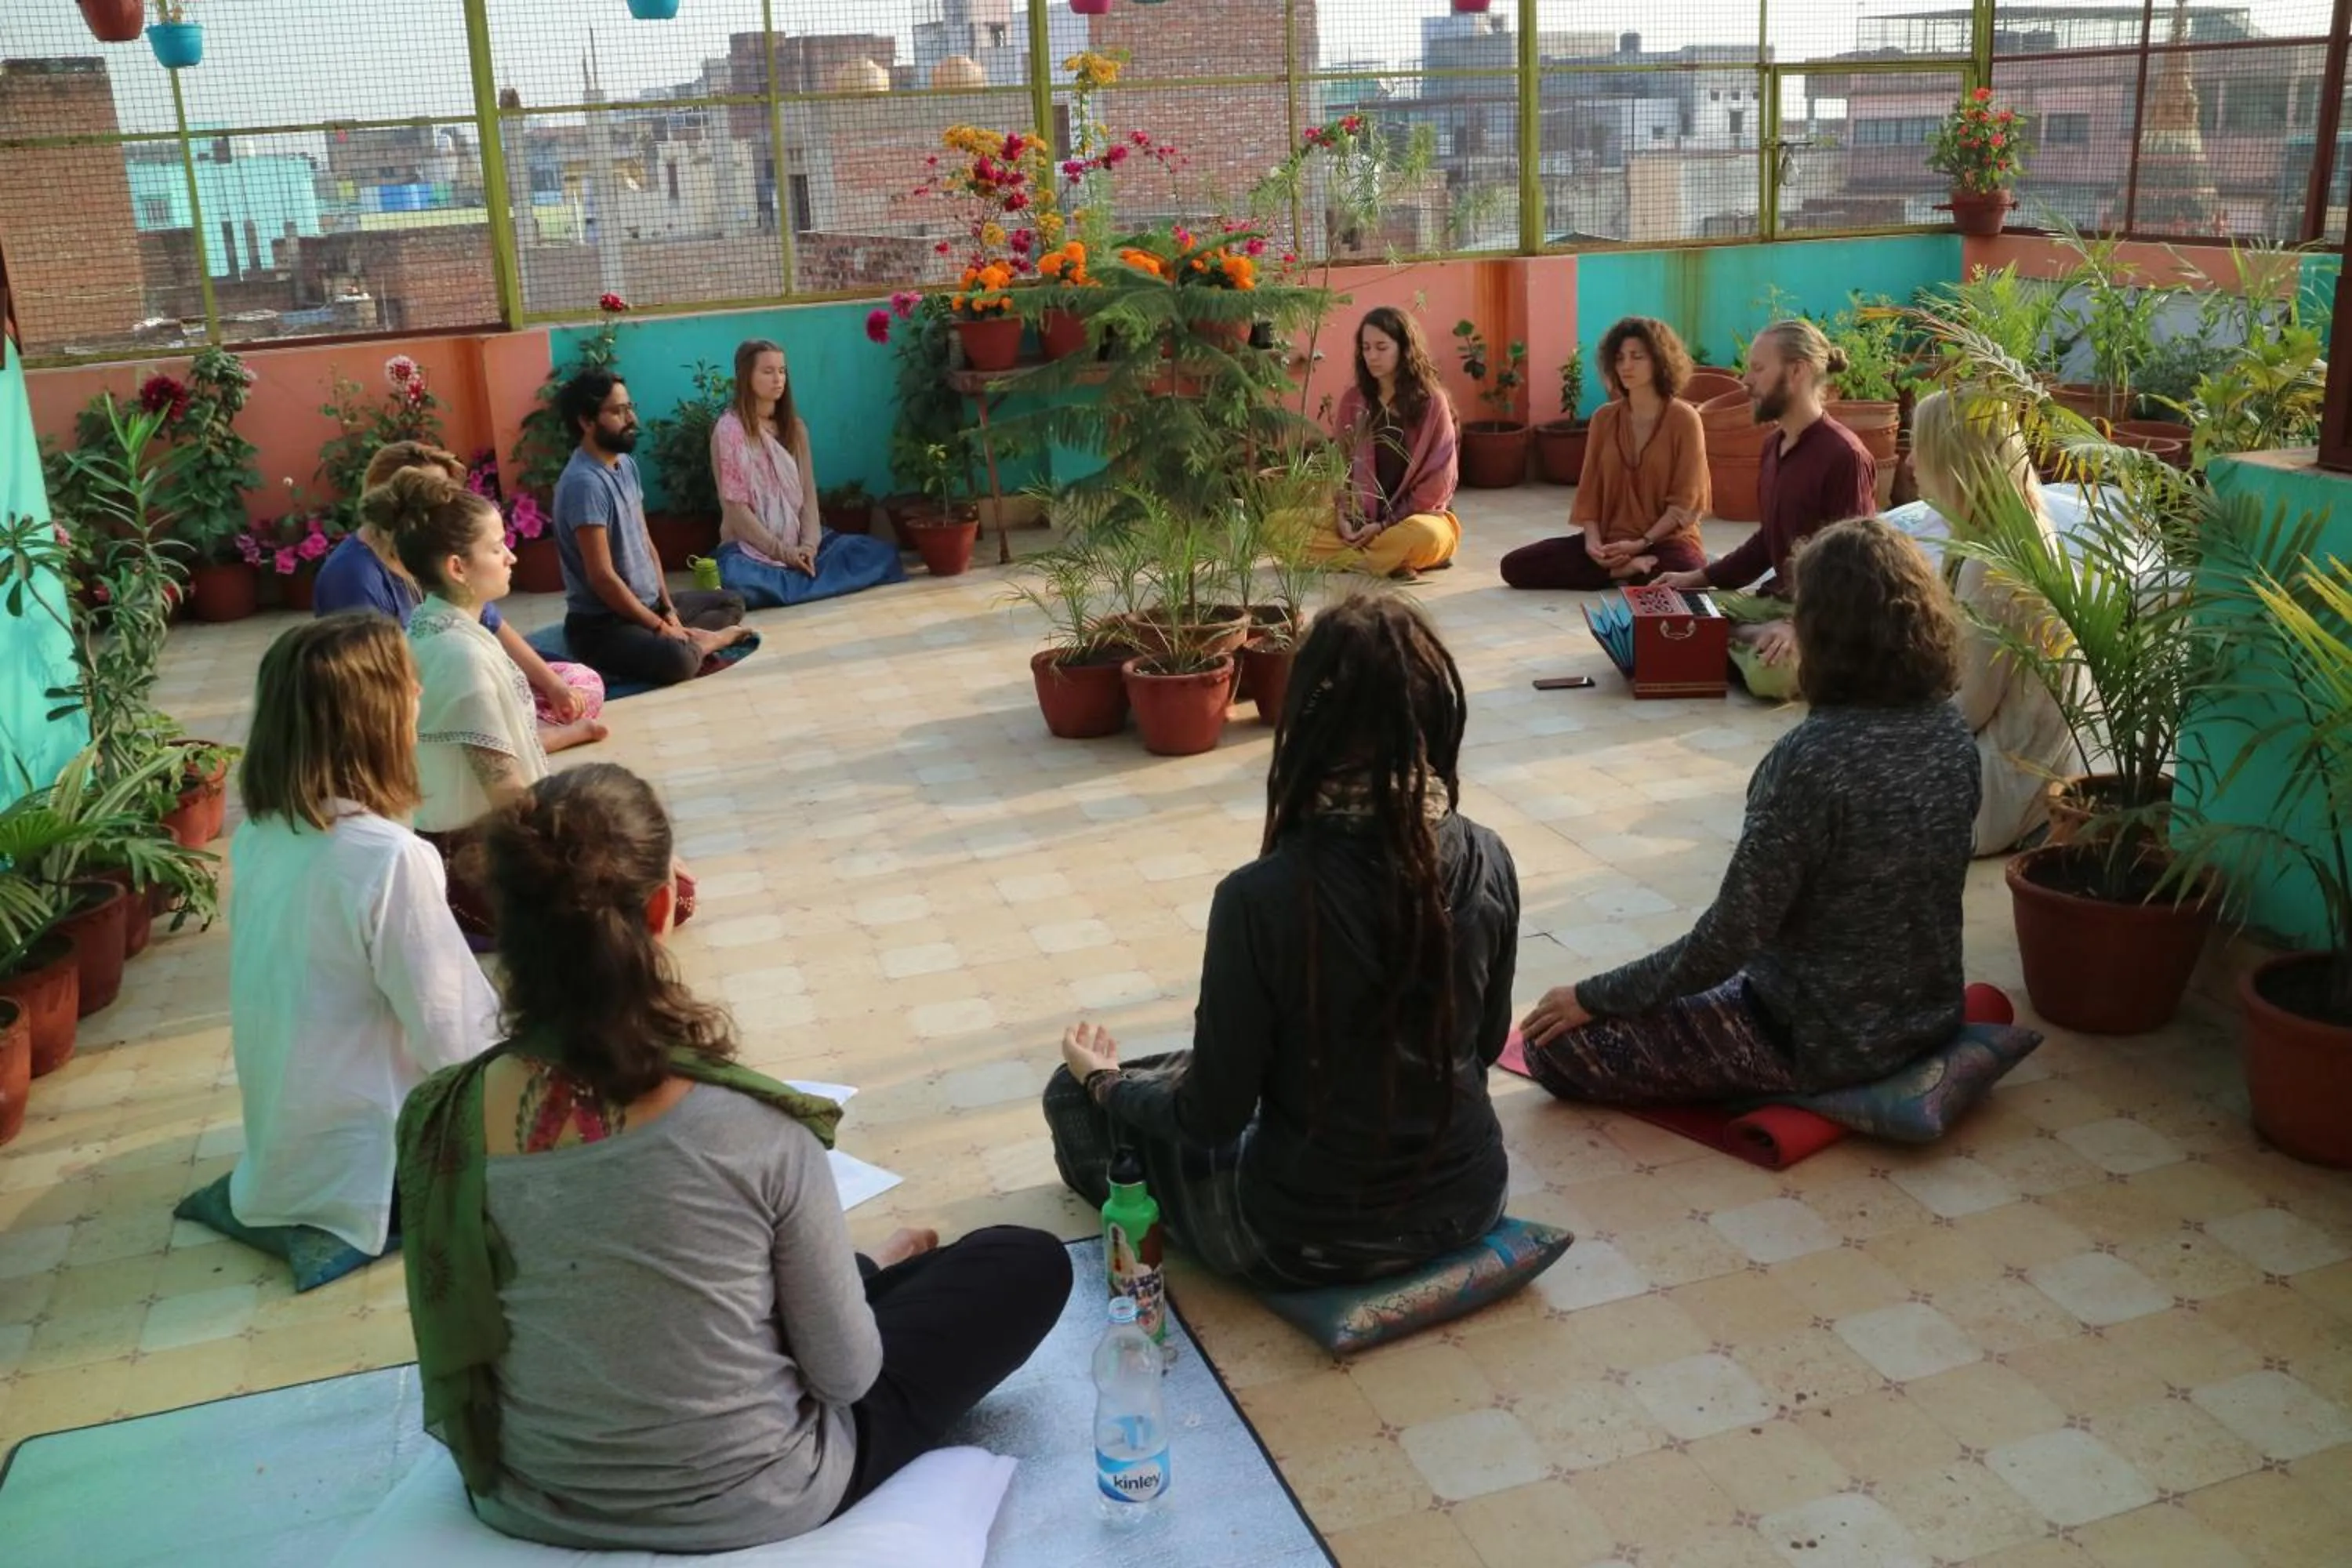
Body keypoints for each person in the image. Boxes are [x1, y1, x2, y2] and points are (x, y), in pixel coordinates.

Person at [395, 764, 1070, 1552]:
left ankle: (861, 1273)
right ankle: (857, 1277)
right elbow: (847, 1377)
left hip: (527, 1497)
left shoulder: (439, 1118)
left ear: (503, 916)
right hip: (757, 1496)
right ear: (661, 908)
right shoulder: (756, 1126)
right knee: (1022, 1261)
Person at [1044, 594, 1518, 1287]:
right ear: (1435, 720)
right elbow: (1486, 1043)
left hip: (1308, 1240)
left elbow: (1212, 1117)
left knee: (1070, 1095)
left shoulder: (1258, 898)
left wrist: (1104, 1084)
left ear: (1305, 725)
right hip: (1473, 1201)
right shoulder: (1490, 855)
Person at [1519, 519, 1979, 1104]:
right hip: (1929, 1017)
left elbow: (1727, 940)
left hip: (1821, 1042)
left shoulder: (1812, 759)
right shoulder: (1951, 731)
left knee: (1553, 1046)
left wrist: (1592, 996)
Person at [227, 613, 499, 1258]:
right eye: (407, 685)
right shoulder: (388, 858)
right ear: (372, 719)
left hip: (282, 1162)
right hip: (377, 1174)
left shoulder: (259, 833)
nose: (420, 695)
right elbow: (455, 1040)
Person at [314, 441, 606, 753]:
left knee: (580, 681)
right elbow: (370, 691)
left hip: (442, 683)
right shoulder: (353, 576)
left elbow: (493, 623)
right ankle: (531, 739)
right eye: (433, 497)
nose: (446, 508)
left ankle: (521, 733)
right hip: (398, 710)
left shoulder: (429, 555)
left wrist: (554, 686)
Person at [363, 468, 550, 941]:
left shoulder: (434, 626)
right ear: (457, 568)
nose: (510, 556)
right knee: (653, 887)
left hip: (469, 848)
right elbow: (507, 793)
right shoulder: (458, 654)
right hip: (470, 869)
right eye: (496, 547)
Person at [1656, 318, 1878, 700]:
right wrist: (1697, 577)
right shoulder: (1773, 446)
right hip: (1773, 604)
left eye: (1758, 368)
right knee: (1667, 611)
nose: (1746, 380)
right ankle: (1749, 637)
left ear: (1797, 371)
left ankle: (1732, 643)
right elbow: (1767, 541)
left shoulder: (1845, 455)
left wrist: (1796, 627)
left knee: (1769, 678)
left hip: (1822, 617)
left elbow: (1854, 568)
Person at [1909, 388, 2083, 855]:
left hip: (1996, 787)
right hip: (2032, 771)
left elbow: (1969, 708)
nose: (1909, 463)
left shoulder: (1991, 562)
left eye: (1919, 448)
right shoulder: (2022, 527)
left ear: (1953, 461)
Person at [550, 369, 750, 688]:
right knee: (678, 660)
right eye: (618, 412)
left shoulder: (625, 465)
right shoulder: (584, 483)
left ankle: (687, 639)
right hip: (604, 625)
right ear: (586, 422)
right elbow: (602, 578)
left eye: (630, 407)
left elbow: (646, 543)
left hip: (648, 608)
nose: (632, 419)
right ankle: (705, 642)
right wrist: (660, 629)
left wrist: (668, 611)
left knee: (731, 602)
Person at [1500, 317, 1711, 590]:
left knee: (1686, 571)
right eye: (1620, 358)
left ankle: (1621, 572)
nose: (1626, 366)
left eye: (1637, 357)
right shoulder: (1604, 418)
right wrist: (1593, 544)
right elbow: (1590, 492)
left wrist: (1641, 543)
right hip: (1611, 541)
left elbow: (1686, 505)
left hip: (1663, 541)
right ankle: (1621, 572)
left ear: (1661, 361)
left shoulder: (1684, 419)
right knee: (1516, 566)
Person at [710, 338, 904, 609]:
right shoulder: (730, 431)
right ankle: (805, 582)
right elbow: (735, 511)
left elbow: (808, 496)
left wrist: (809, 547)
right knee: (740, 580)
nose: (778, 379)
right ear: (745, 377)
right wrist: (784, 554)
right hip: (751, 550)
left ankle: (796, 581)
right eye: (768, 371)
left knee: (876, 554)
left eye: (782, 371)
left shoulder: (795, 428)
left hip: (801, 542)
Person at [1307, 307, 1461, 580]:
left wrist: (1383, 526)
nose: (1372, 356)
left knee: (1424, 536)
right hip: (1362, 519)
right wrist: (1344, 517)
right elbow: (1341, 471)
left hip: (1417, 519)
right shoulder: (1354, 400)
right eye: (1366, 348)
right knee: (1279, 526)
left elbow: (1436, 486)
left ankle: (1368, 558)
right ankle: (1387, 561)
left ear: (1404, 349)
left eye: (1381, 347)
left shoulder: (1431, 402)